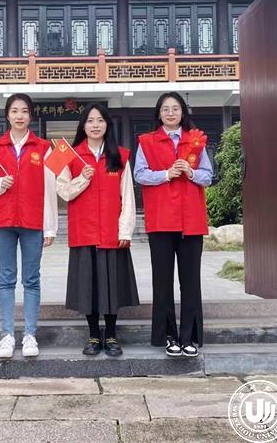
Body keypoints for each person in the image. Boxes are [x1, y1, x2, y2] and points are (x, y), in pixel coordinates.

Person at [133, 92, 213, 358]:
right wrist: (166, 174)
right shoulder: (146, 141)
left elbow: (207, 176)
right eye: (165, 109)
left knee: (191, 282)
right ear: (159, 113)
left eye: (175, 108)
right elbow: (139, 174)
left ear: (182, 112)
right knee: (163, 282)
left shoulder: (196, 140)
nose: (170, 113)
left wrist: (190, 172)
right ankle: (168, 336)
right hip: (161, 220)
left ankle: (189, 336)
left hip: (191, 220)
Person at [56, 104, 139, 357]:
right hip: (84, 231)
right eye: (90, 120)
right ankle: (93, 335)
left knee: (112, 287)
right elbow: (63, 191)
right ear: (83, 126)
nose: (95, 125)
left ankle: (111, 335)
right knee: (88, 287)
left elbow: (128, 196)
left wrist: (125, 231)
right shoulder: (70, 155)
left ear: (107, 125)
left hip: (111, 232)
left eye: (100, 120)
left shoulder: (120, 155)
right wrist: (83, 178)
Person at [0, 93, 57, 359]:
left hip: (33, 221)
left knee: (31, 279)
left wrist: (50, 227)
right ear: (7, 115)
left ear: (30, 116)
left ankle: (30, 335)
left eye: (24, 111)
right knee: (6, 279)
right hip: (3, 220)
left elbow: (50, 189)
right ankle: (7, 335)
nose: (19, 116)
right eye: (14, 111)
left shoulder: (44, 147)